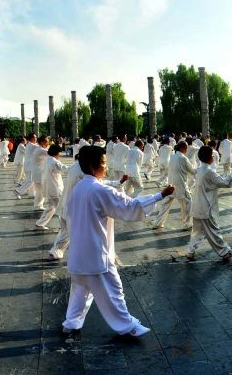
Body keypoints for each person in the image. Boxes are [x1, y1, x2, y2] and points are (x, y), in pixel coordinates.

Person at [62, 145, 173, 337]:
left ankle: (71, 323)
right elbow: (129, 206)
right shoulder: (98, 189)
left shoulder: (79, 188)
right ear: (92, 165)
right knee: (114, 292)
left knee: (80, 291)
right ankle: (127, 326)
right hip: (96, 255)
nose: (105, 167)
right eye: (103, 163)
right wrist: (160, 195)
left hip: (78, 254)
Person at [186, 145, 232, 261]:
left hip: (197, 206)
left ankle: (190, 251)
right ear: (208, 157)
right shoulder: (208, 171)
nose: (213, 157)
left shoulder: (200, 170)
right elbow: (225, 183)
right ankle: (225, 252)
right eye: (212, 155)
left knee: (197, 232)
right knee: (214, 231)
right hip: (205, 207)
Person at [152, 140, 196, 230]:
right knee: (188, 204)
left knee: (165, 205)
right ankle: (187, 224)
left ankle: (157, 223)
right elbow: (192, 171)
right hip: (181, 185)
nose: (187, 149)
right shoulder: (183, 158)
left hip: (171, 184)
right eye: (187, 147)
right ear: (183, 148)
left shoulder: (173, 156)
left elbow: (168, 170)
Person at [35, 144, 69, 230]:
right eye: (59, 153)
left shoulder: (48, 160)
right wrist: (77, 167)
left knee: (51, 208)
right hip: (55, 189)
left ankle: (40, 223)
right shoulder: (54, 162)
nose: (60, 155)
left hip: (49, 187)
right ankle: (65, 227)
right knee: (62, 209)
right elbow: (65, 169)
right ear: (56, 153)